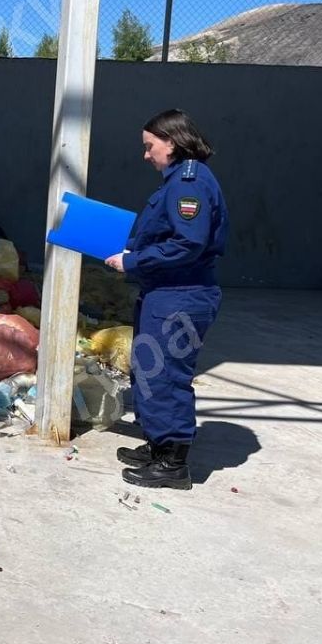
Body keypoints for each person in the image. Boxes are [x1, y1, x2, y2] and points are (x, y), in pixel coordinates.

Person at [105, 109, 229, 489]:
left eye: (149, 146)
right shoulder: (176, 181)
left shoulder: (187, 183)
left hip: (181, 295)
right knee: (147, 369)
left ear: (171, 142)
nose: (146, 155)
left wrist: (134, 261)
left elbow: (188, 243)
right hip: (165, 292)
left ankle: (173, 464)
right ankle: (159, 444)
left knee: (166, 375)